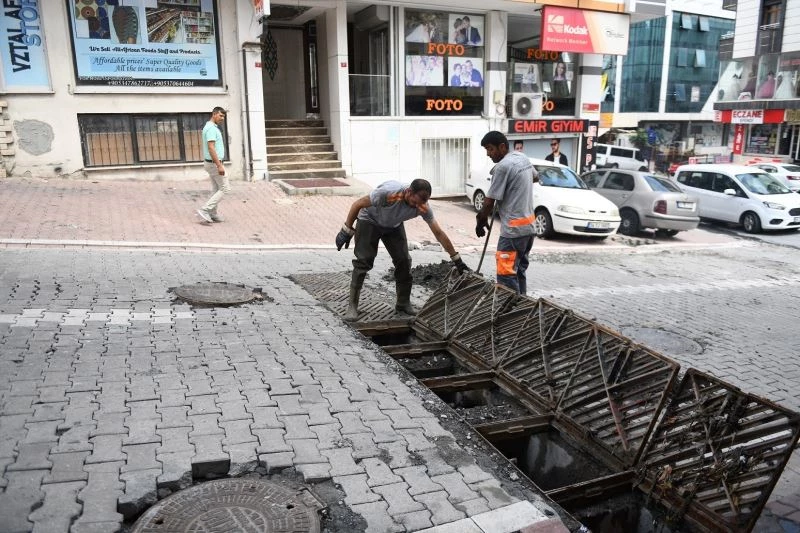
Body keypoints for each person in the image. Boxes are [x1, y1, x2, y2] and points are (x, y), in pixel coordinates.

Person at [335, 179, 470, 321]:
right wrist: (347, 230)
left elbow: (438, 233)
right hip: (370, 221)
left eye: (421, 204)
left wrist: (456, 259)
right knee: (363, 261)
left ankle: (403, 303)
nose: (417, 207)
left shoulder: (422, 206)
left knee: (404, 261)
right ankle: (352, 306)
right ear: (408, 192)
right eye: (415, 202)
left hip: (393, 226)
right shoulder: (388, 194)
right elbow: (357, 204)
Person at [475, 131, 536, 294]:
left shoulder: (502, 168)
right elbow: (535, 177)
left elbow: (488, 202)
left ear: (502, 147)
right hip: (529, 230)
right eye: (486, 150)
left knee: (506, 276)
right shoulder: (522, 158)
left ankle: (511, 314)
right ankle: (524, 310)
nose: (488, 154)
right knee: (519, 272)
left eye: (490, 149)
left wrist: (480, 222)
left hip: (513, 232)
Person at [197, 107, 228, 223]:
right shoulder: (211, 129)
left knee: (216, 189)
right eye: (220, 116)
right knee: (225, 188)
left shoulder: (210, 127)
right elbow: (211, 148)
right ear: (214, 114)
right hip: (214, 164)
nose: (222, 118)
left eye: (223, 116)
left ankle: (212, 214)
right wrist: (219, 165)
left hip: (211, 163)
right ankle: (205, 210)